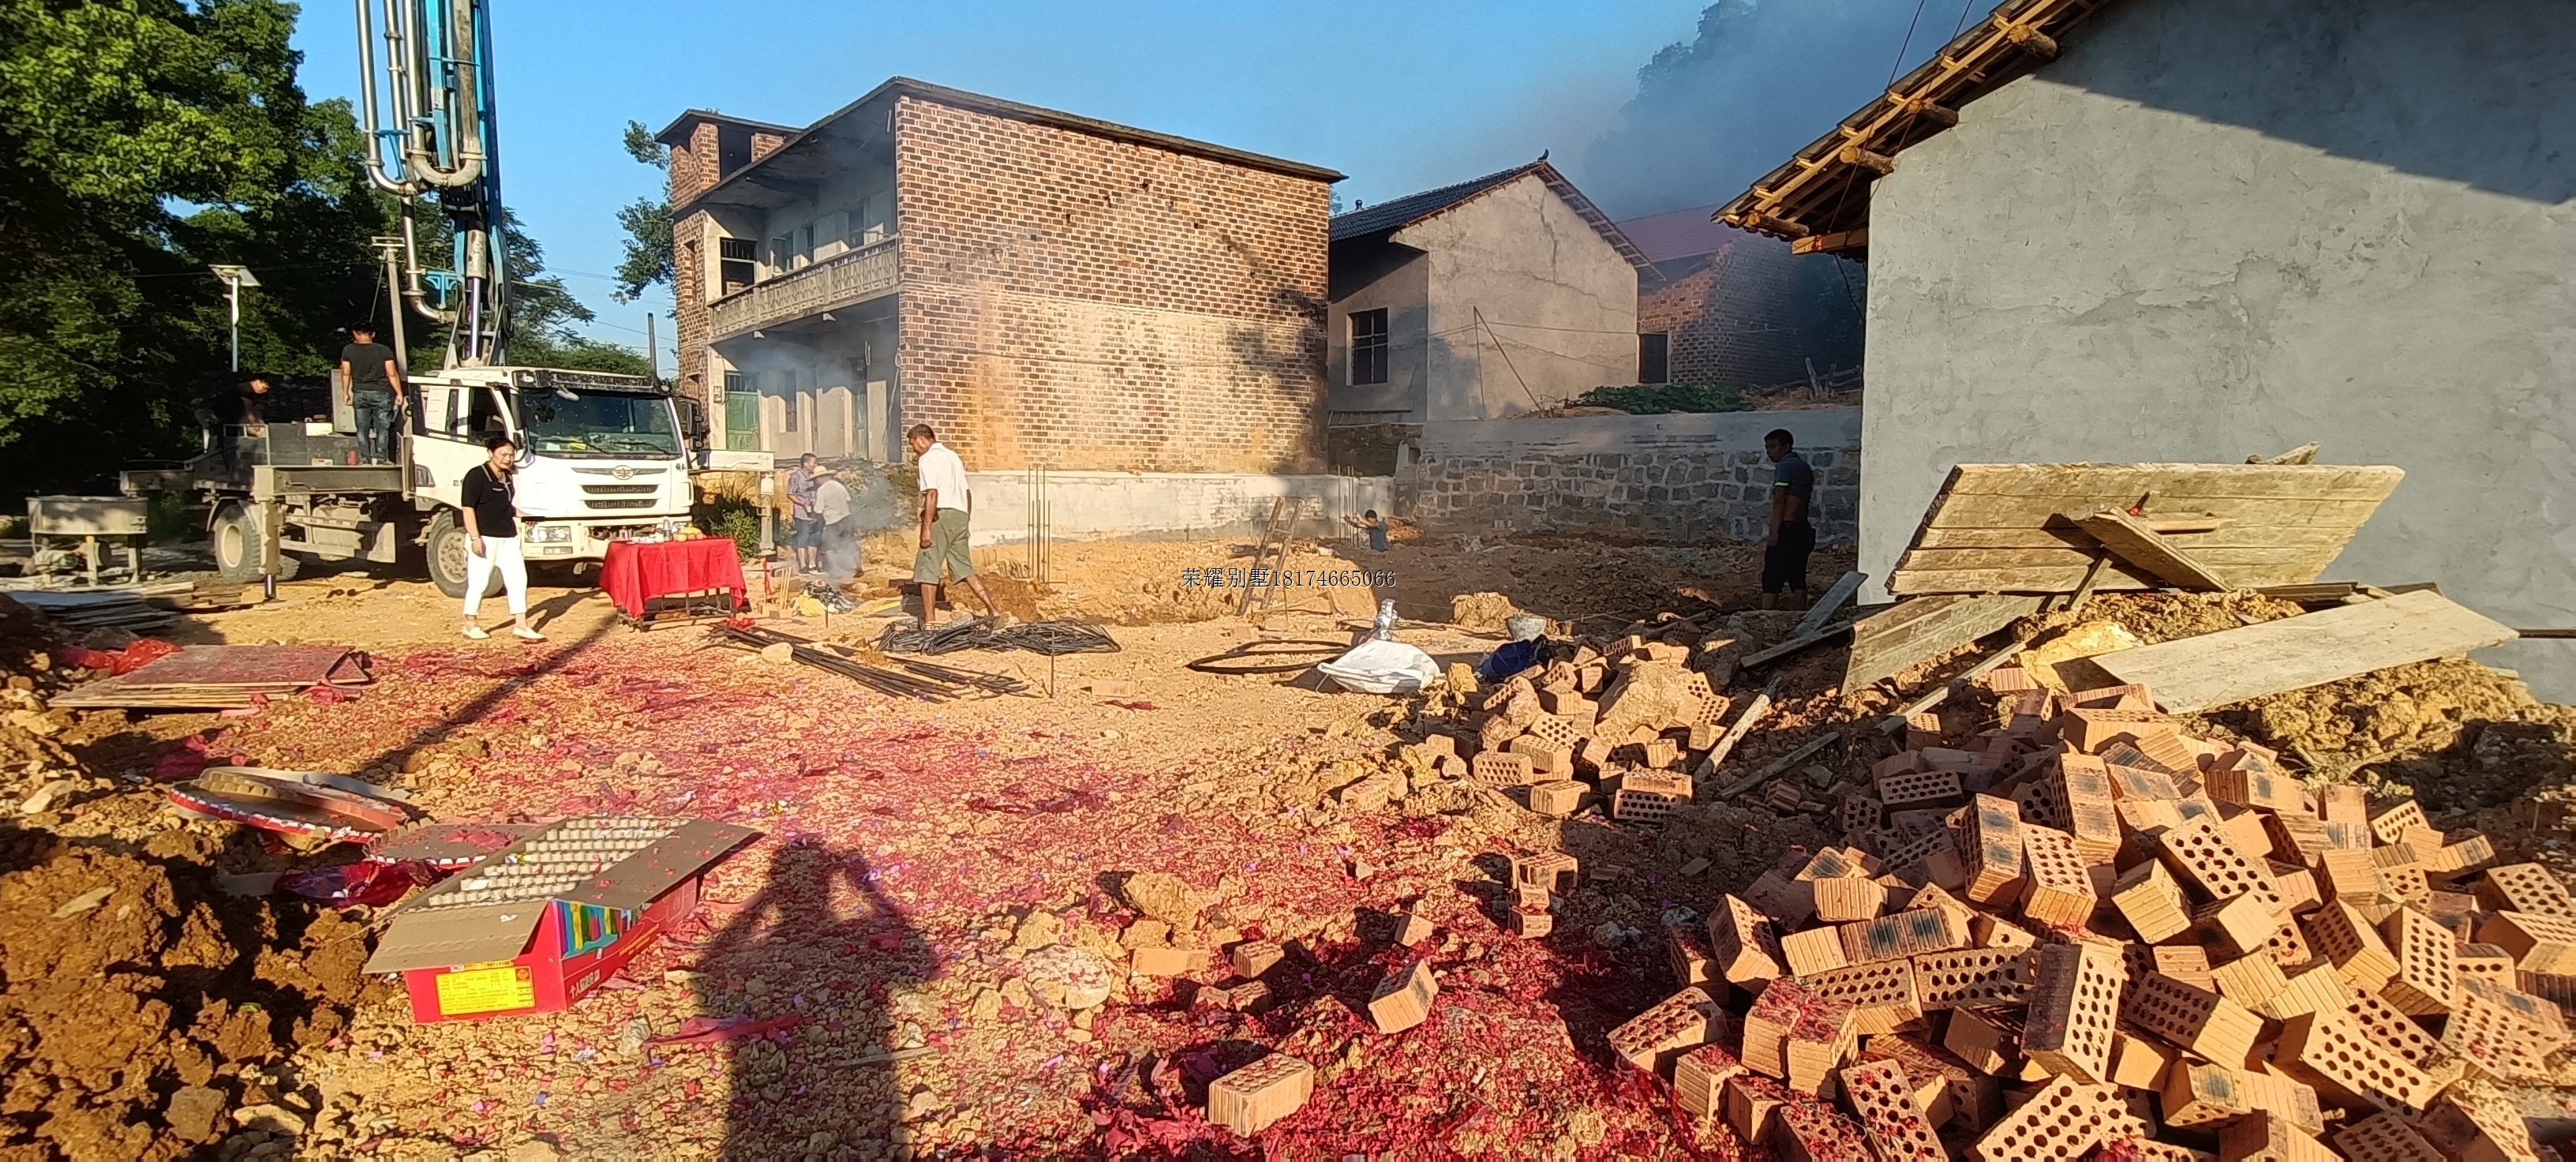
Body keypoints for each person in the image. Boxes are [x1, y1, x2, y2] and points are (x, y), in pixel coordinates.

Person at [907, 424, 998, 626]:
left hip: (942, 515)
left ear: (921, 439)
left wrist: (926, 529)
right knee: (965, 568)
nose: (914, 449)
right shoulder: (953, 456)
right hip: (960, 515)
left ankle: (930, 621)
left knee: (928, 566)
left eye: (913, 444)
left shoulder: (927, 458)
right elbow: (967, 492)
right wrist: (966, 521)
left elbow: (932, 493)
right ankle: (993, 610)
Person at [459, 434, 544, 642]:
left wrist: (525, 516)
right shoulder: (476, 476)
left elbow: (505, 506)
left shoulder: (508, 477)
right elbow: (468, 508)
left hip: (509, 538)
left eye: (511, 455)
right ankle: (470, 625)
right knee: (480, 582)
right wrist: (475, 538)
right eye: (503, 454)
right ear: (490, 453)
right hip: (485, 537)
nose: (507, 458)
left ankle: (521, 625)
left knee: (518, 580)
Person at [1761, 427, 1817, 611]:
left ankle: (1763, 615)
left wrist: (1774, 533)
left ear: (1786, 447)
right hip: (1803, 530)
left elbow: (1780, 500)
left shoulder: (1784, 466)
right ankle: (1798, 613)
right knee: (1797, 575)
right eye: (1767, 447)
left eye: (1773, 447)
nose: (1769, 452)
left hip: (1787, 528)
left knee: (1772, 576)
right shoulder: (1803, 466)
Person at [339, 325, 406, 464]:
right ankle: (382, 458)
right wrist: (399, 393)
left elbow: (346, 373)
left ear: (355, 334)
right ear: (373, 334)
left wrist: (345, 393)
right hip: (381, 393)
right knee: (383, 428)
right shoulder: (384, 350)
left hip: (360, 392)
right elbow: (391, 373)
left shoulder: (348, 350)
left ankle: (365, 458)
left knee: (362, 428)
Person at [811, 464, 862, 585]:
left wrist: (813, 517)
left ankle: (836, 571)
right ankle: (859, 568)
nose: (816, 481)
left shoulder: (822, 490)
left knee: (827, 545)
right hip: (847, 517)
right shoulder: (839, 486)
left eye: (816, 479)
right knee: (850, 542)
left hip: (833, 521)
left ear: (820, 478)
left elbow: (818, 510)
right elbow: (849, 501)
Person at [784, 453, 822, 574]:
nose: (815, 465)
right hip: (802, 513)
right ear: (806, 463)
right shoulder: (796, 477)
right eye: (813, 463)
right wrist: (803, 503)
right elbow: (790, 494)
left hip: (815, 513)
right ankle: (803, 565)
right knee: (803, 538)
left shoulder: (814, 476)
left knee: (814, 538)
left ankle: (812, 564)